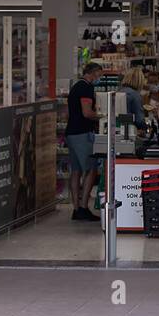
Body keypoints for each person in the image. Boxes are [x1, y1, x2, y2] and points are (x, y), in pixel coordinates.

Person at [65, 63, 103, 222]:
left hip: (71, 133)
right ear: (92, 73)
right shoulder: (86, 88)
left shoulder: (75, 87)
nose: (99, 78)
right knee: (91, 169)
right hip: (82, 134)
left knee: (76, 171)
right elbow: (87, 112)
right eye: (99, 75)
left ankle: (75, 208)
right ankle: (83, 207)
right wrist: (101, 116)